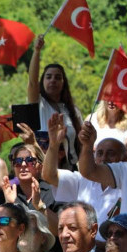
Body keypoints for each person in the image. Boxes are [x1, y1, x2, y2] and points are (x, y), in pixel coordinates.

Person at [42, 115, 127, 233]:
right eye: (100, 153)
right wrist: (53, 144)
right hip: (82, 250)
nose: (104, 158)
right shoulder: (82, 180)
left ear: (124, 160)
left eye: (111, 153)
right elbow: (49, 175)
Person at [28, 35, 83, 167]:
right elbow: (32, 82)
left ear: (63, 83)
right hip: (42, 167)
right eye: (48, 77)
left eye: (58, 77)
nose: (53, 80)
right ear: (43, 81)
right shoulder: (39, 104)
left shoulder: (72, 111)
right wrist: (36, 51)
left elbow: (80, 143)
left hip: (68, 170)